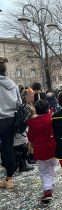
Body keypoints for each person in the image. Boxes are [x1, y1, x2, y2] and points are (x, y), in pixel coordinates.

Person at [27, 100, 56, 204]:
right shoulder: (51, 118)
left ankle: (47, 189)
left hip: (40, 149)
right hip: (52, 147)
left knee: (44, 170)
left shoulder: (33, 123)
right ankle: (50, 182)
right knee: (52, 165)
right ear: (47, 108)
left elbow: (30, 137)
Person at [0, 57, 20, 189]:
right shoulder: (12, 84)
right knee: (8, 148)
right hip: (11, 119)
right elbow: (19, 103)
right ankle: (9, 179)